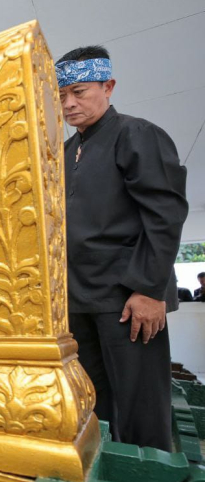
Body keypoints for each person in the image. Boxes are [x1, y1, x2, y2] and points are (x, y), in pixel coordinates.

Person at [57, 45, 188, 451]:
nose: (69, 103)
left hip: (128, 298)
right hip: (79, 300)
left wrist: (150, 289)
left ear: (108, 86)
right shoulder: (63, 151)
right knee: (92, 399)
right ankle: (104, 470)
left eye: (79, 91)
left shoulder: (136, 133)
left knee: (140, 403)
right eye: (61, 95)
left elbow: (164, 216)